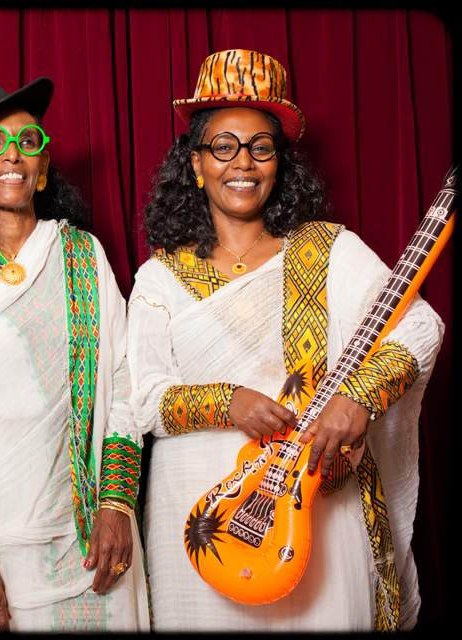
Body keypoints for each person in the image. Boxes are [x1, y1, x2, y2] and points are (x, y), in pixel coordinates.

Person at [129, 49, 443, 631]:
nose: (241, 162)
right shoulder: (161, 276)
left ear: (280, 164)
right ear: (196, 163)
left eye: (261, 147)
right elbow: (145, 399)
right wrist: (228, 401)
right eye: (223, 146)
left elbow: (421, 326)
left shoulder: (326, 249)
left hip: (312, 514)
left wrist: (361, 397)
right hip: (200, 523)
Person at [0, 66, 150, 633]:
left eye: (27, 141)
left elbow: (122, 376)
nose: (12, 155)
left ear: (41, 166)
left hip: (92, 535)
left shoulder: (82, 254)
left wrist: (116, 503)